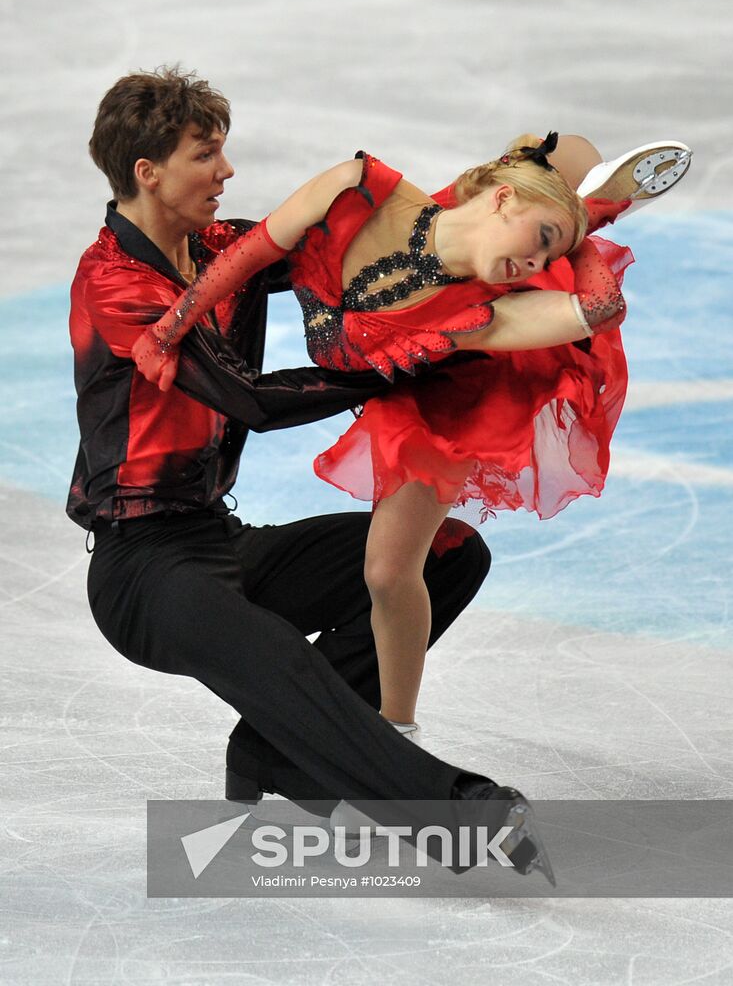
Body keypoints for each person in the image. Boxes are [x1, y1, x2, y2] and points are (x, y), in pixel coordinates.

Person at [69, 66, 562, 883]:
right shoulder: (116, 283)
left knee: (448, 555)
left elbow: (363, 248)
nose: (225, 174)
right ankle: (459, 810)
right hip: (141, 570)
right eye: (205, 157)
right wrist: (394, 368)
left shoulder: (222, 250)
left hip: (219, 541)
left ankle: (276, 756)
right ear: (147, 172)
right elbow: (247, 399)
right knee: (275, 661)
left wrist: (492, 220)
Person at [130, 129, 691, 739]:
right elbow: (257, 250)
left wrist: (580, 231)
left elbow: (600, 310)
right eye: (541, 243)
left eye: (547, 255)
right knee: (562, 153)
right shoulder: (358, 191)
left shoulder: (480, 315)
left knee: (387, 572)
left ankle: (397, 732)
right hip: (447, 254)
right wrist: (170, 327)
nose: (535, 264)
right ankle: (577, 190)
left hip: (445, 389)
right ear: (503, 198)